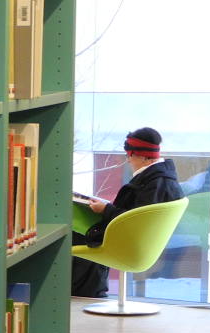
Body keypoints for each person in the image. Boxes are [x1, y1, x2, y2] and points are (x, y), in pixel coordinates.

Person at [72, 126, 184, 298]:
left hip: (129, 244)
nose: (128, 160)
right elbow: (137, 216)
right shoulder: (161, 178)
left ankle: (81, 294)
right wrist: (107, 208)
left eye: (129, 155)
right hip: (136, 241)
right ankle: (89, 292)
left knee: (72, 235)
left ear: (140, 156)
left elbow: (135, 221)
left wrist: (106, 209)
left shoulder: (153, 184)